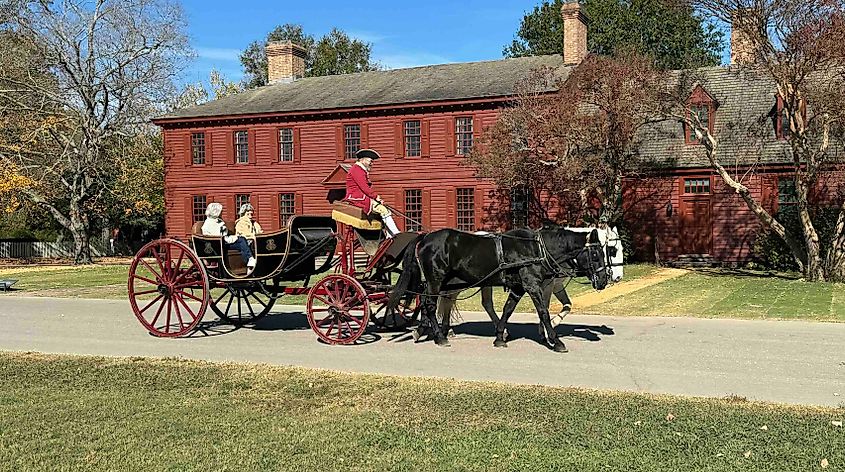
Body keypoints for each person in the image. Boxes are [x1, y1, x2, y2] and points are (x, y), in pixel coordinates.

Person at [344, 148, 401, 238]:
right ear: (362, 159)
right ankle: (395, 234)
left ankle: (390, 235)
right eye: (370, 161)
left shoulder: (360, 170)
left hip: (362, 197)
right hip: (357, 198)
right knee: (384, 210)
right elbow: (364, 187)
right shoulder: (357, 170)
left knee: (385, 211)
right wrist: (376, 197)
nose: (371, 163)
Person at [201, 202, 256, 271]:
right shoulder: (211, 223)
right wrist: (234, 238)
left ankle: (249, 262)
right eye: (221, 212)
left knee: (243, 241)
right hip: (218, 245)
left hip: (222, 242)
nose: (221, 213)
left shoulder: (216, 221)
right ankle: (249, 260)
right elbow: (220, 238)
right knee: (241, 240)